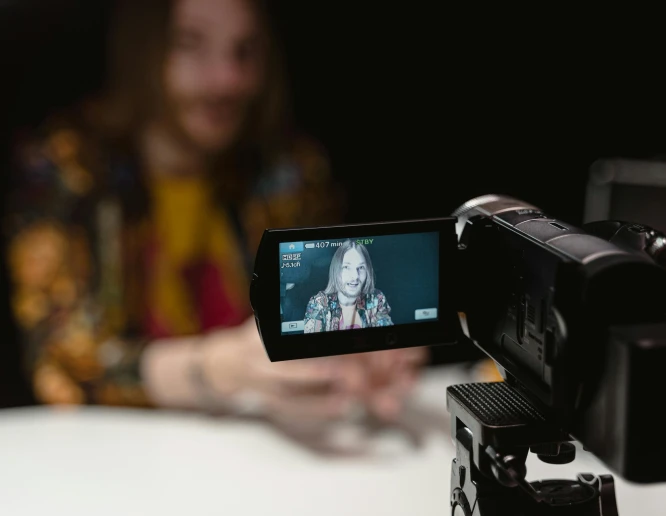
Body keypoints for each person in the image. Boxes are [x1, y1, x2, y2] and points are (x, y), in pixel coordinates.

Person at [3, 0, 426, 425]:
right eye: (190, 45)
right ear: (142, 50)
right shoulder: (68, 170)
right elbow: (64, 362)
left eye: (245, 50)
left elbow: (321, 301)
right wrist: (219, 367)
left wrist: (363, 345)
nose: (227, 80)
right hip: (113, 451)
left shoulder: (283, 169)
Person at [304, 240, 392, 333]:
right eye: (346, 267)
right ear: (336, 270)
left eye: (361, 267)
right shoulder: (319, 303)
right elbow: (312, 345)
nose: (355, 276)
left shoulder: (376, 299)